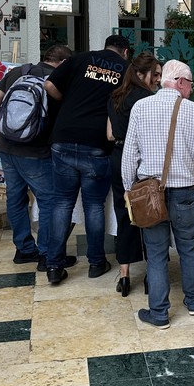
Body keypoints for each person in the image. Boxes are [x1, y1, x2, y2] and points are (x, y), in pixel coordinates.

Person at [123, 60, 194, 329]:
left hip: (150, 192)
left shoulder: (140, 107)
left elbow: (129, 155)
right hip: (185, 192)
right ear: (180, 82)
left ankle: (159, 313)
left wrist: (129, 189)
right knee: (189, 247)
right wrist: (187, 157)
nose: (191, 89)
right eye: (190, 84)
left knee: (156, 254)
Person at [43, 34, 130, 285]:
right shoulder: (125, 69)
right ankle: (96, 262)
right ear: (125, 52)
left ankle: (53, 265)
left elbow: (49, 85)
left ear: (105, 47)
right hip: (96, 143)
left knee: (62, 203)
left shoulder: (81, 59)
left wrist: (68, 104)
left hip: (63, 136)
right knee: (93, 206)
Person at [0, 44, 72, 268]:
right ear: (63, 63)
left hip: (6, 147)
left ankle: (24, 250)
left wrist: (10, 129)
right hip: (36, 151)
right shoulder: (57, 79)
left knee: (16, 198)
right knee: (49, 200)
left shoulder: (19, 71)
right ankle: (47, 254)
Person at [107, 52, 162, 297]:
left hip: (118, 159)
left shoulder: (114, 96)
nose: (158, 79)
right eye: (155, 74)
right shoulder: (148, 99)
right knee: (151, 216)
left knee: (125, 215)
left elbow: (110, 134)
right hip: (142, 161)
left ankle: (125, 275)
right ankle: (152, 275)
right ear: (141, 74)